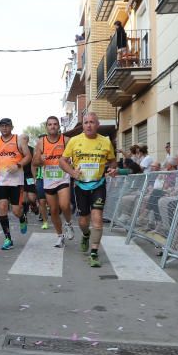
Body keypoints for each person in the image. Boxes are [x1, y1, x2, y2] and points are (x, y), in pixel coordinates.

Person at [59, 112, 117, 267]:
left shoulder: (105, 142)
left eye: (92, 122)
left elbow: (112, 161)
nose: (89, 125)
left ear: (97, 125)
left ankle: (94, 252)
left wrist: (112, 169)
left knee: (97, 218)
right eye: (86, 122)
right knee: (84, 221)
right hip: (81, 185)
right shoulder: (74, 141)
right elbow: (62, 161)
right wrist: (72, 173)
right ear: (82, 125)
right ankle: (85, 234)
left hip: (98, 184)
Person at [33, 116, 75, 248]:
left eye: (55, 124)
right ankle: (60, 236)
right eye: (50, 124)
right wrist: (40, 158)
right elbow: (34, 162)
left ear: (59, 126)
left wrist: (71, 162)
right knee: (54, 210)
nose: (52, 126)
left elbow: (74, 157)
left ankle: (68, 223)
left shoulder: (66, 140)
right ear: (46, 127)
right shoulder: (41, 142)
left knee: (64, 205)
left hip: (63, 177)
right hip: (49, 179)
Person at [0, 118, 31, 250]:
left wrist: (18, 165)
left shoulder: (19, 140)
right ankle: (8, 238)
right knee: (1, 207)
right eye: (2, 126)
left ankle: (22, 216)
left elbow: (28, 156)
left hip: (16, 181)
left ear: (12, 127)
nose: (4, 128)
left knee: (16, 211)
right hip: (1, 180)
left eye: (7, 126)